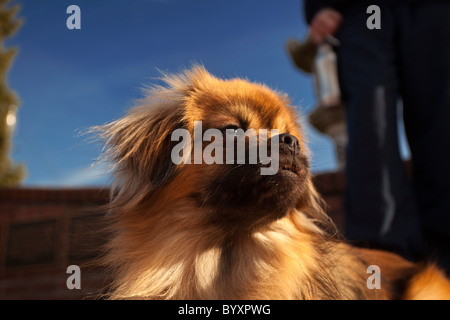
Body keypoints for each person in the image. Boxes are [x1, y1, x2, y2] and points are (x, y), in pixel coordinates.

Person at [302, 0, 450, 272]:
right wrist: (320, 5)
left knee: (442, 125)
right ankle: (384, 265)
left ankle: (444, 259)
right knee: (371, 127)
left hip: (433, 10)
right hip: (365, 11)